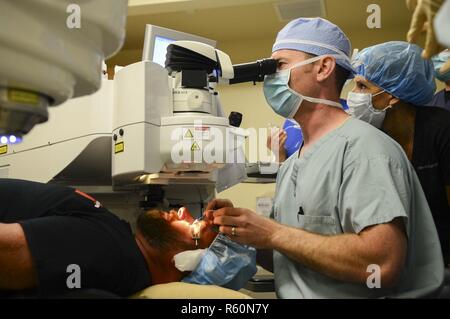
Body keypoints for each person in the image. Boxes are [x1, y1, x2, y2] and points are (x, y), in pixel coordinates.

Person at [206, 18, 444, 298]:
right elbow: (291, 257)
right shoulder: (293, 161)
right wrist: (240, 230)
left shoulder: (364, 149)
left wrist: (273, 233)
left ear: (323, 67)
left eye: (279, 65)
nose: (270, 78)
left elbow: (382, 265)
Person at [0, 178, 220, 297]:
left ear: (189, 263)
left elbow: (5, 254)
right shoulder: (115, 245)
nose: (182, 211)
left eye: (195, 226)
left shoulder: (109, 252)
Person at [347, 41, 450, 267]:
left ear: (393, 96)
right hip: (395, 261)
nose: (353, 95)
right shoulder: (369, 137)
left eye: (363, 87)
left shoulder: (441, 129)